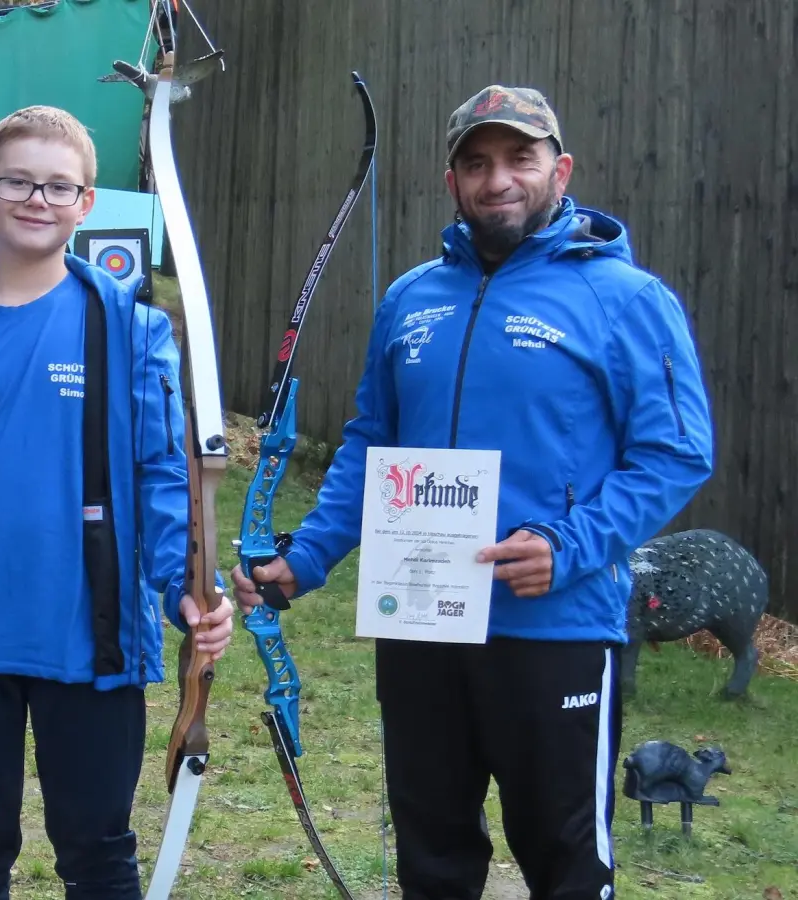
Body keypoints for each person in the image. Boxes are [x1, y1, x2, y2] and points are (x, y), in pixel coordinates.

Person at [234, 84, 715, 898]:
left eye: (520, 159)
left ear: (559, 171)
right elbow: (371, 445)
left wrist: (569, 546)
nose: (499, 180)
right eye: (477, 162)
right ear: (451, 181)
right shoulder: (411, 299)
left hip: (555, 626)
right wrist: (307, 556)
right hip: (419, 621)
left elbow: (676, 453)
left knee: (565, 860)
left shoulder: (626, 298)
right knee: (434, 856)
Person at [0, 105, 237, 899]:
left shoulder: (131, 330)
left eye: (59, 186)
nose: (38, 199)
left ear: (86, 204)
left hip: (89, 643)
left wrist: (186, 587)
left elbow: (163, 476)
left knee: (98, 852)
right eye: (19, 181)